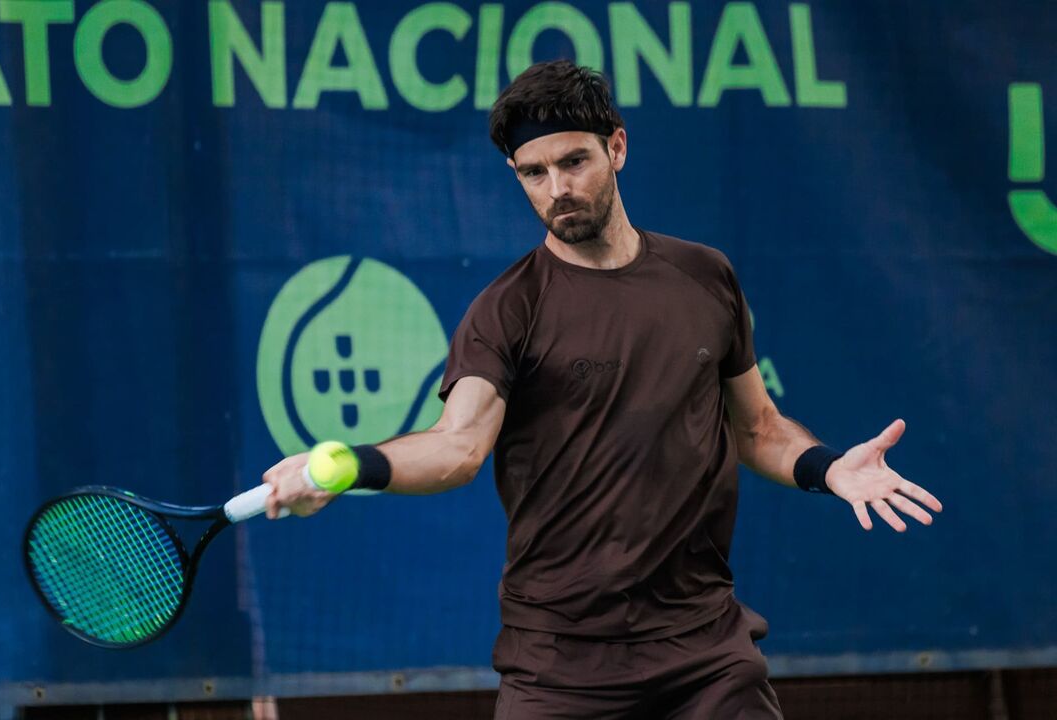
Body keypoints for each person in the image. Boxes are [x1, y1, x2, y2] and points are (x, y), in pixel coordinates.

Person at [262, 59, 943, 719]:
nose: (555, 188)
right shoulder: (506, 311)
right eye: (534, 173)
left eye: (573, 162)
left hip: (705, 652)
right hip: (560, 666)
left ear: (616, 147)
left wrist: (829, 469)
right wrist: (350, 466)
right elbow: (457, 447)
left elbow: (757, 428)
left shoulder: (707, 277)